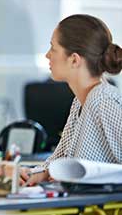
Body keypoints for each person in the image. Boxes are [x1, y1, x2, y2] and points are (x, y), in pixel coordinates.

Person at [21, 14, 122, 186]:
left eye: (53, 48)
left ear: (74, 59)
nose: (47, 55)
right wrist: (37, 173)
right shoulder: (80, 101)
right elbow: (59, 158)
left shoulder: (105, 101)